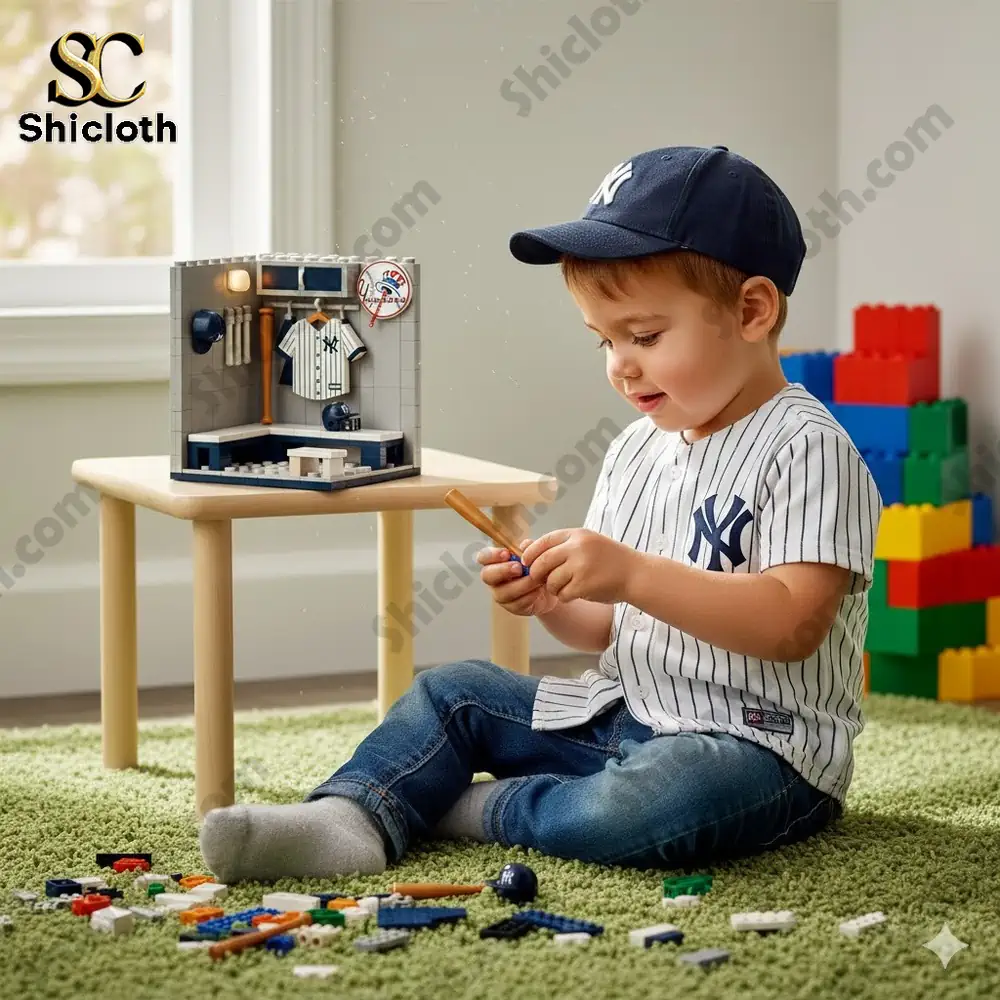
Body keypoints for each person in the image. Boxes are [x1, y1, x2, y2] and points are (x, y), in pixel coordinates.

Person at [199, 144, 881, 884]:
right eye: (605, 340)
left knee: (654, 804)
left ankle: (468, 809)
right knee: (453, 691)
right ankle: (352, 816)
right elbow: (609, 631)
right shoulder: (636, 450)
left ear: (753, 310)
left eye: (644, 336)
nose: (620, 364)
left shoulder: (809, 448)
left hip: (759, 750)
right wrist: (556, 603)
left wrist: (628, 573)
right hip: (628, 714)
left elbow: (790, 625)